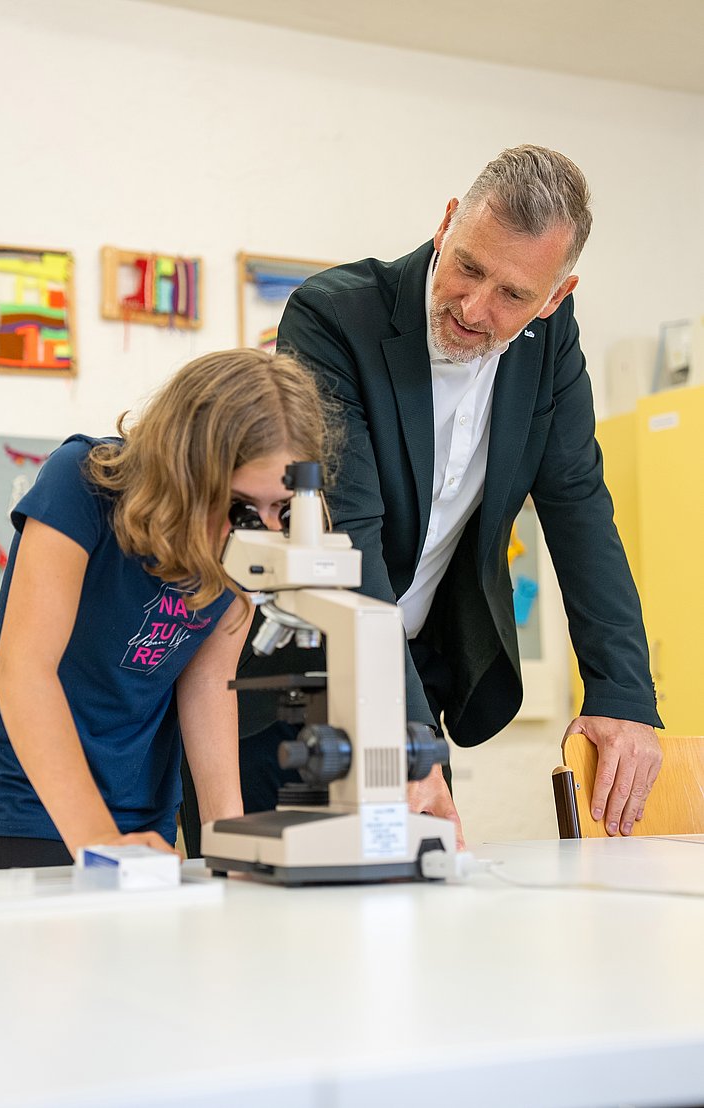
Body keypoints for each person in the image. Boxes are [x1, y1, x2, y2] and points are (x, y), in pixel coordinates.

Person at [236, 144, 663, 841]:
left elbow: (579, 505)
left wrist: (623, 695)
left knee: (413, 917)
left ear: (556, 297)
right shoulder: (336, 317)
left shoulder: (550, 343)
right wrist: (405, 742)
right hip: (291, 682)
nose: (473, 305)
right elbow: (352, 535)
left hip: (416, 676)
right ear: (446, 225)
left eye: (514, 295)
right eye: (468, 266)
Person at [0, 348, 332, 870]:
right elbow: (25, 669)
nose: (263, 530)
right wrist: (98, 841)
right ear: (188, 468)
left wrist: (230, 837)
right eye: (240, 506)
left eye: (280, 509)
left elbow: (208, 688)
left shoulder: (242, 544)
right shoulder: (83, 482)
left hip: (143, 818)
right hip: (22, 806)